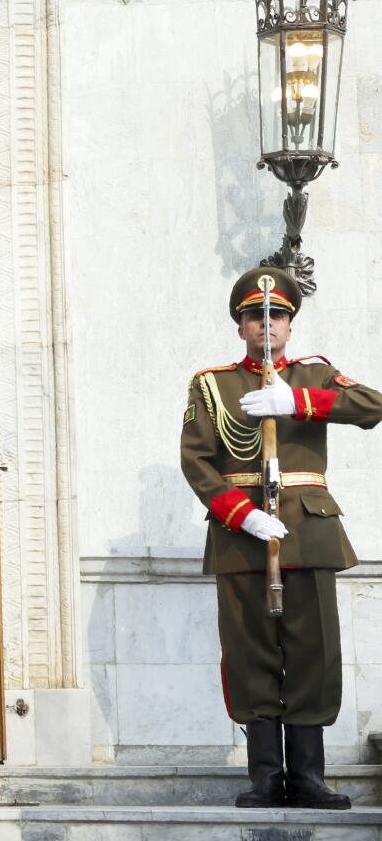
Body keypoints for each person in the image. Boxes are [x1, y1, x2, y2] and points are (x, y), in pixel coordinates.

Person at [181, 267, 382, 810]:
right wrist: (241, 515)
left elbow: (373, 405)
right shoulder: (212, 384)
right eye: (255, 316)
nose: (266, 325)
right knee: (250, 655)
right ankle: (266, 777)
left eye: (277, 316)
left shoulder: (313, 373)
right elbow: (196, 460)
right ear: (240, 325)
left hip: (308, 532)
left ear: (290, 325)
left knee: (313, 652)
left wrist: (299, 402)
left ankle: (309, 777)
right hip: (242, 535)